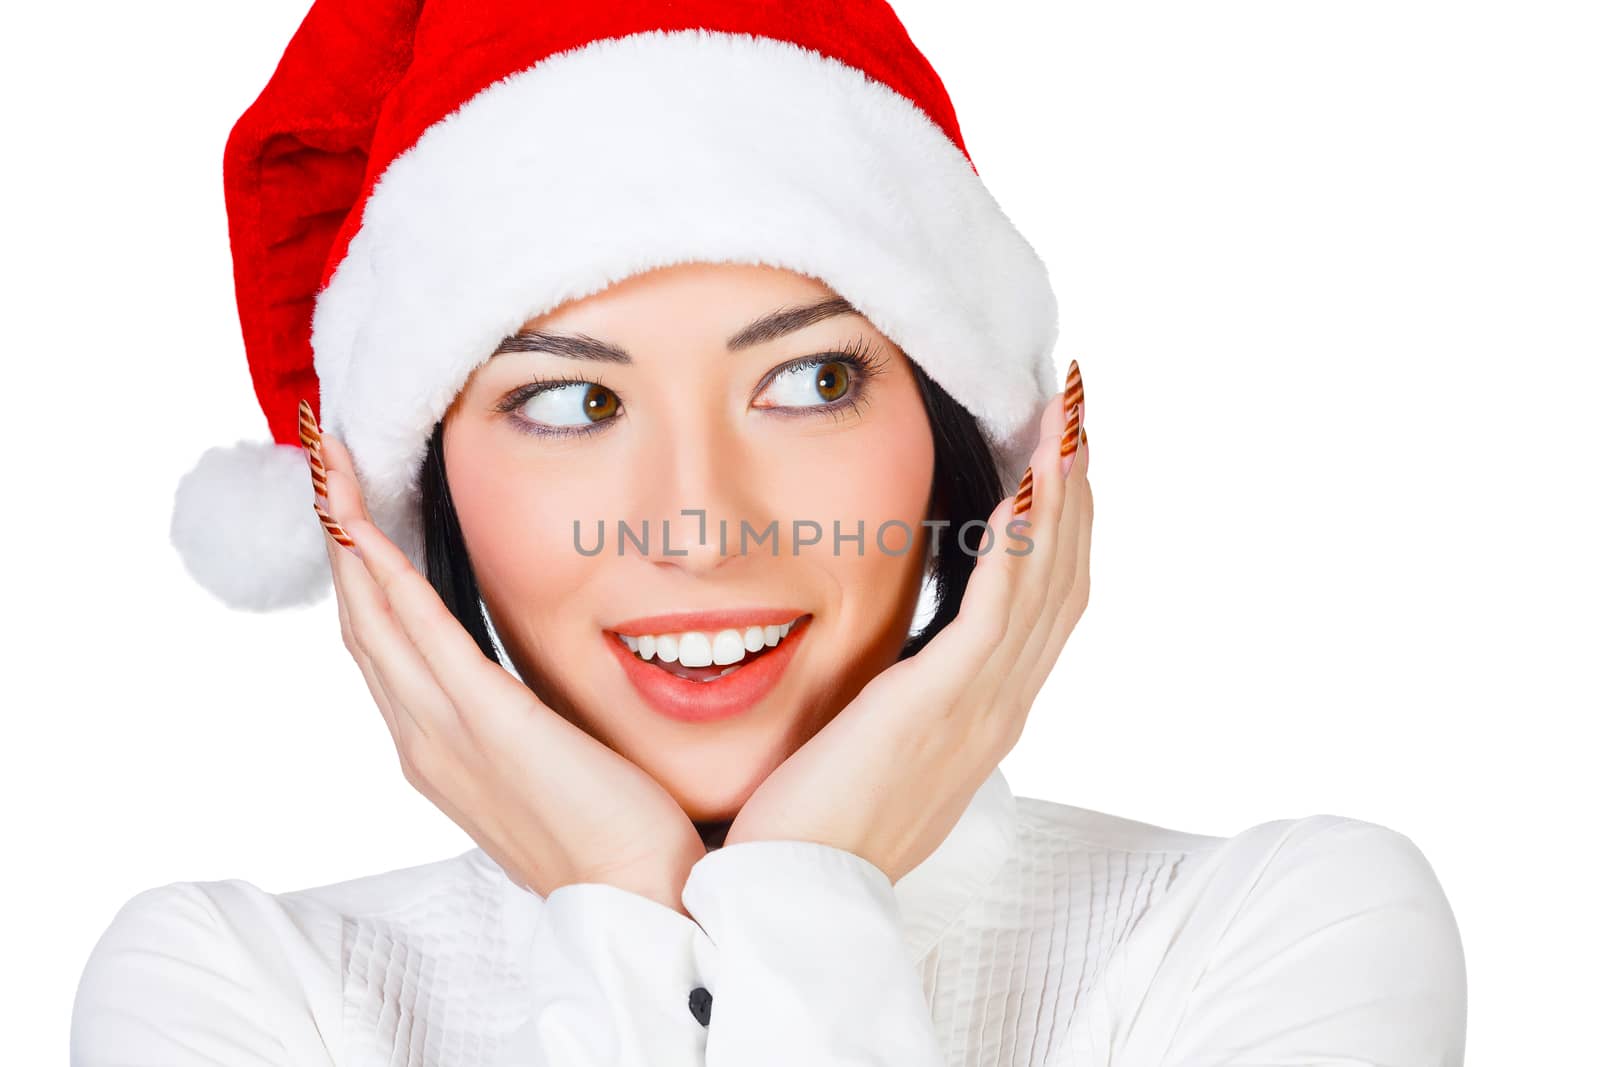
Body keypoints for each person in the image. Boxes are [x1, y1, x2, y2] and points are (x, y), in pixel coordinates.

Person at [71, 2, 1469, 1064]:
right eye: (569, 399)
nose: (700, 525)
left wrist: (792, 898)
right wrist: (633, 906)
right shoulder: (244, 993)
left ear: (957, 427)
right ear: (410, 492)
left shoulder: (1279, 935)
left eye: (813, 380)